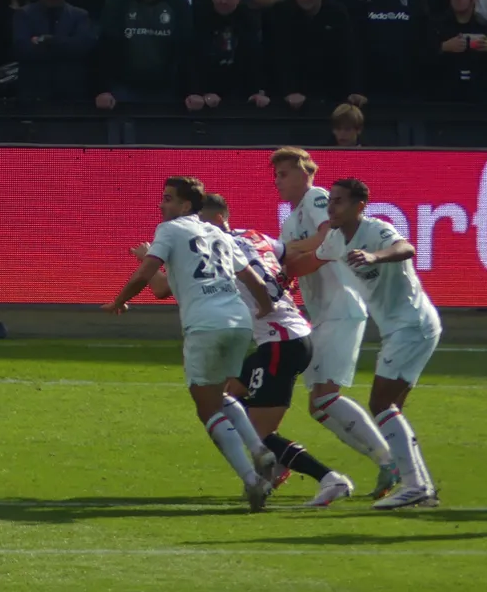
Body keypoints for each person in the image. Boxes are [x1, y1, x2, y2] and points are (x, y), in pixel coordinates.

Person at [145, 192, 354, 508]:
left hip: (279, 342)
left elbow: (161, 288)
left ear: (212, 220)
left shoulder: (208, 249)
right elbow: (292, 255)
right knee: (228, 395)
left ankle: (328, 478)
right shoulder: (252, 237)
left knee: (257, 433)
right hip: (288, 335)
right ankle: (278, 468)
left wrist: (145, 258)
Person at [105, 175, 280, 509]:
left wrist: (118, 301)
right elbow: (252, 278)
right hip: (239, 321)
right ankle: (259, 450)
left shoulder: (170, 231)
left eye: (168, 198)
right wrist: (267, 308)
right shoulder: (217, 233)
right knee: (219, 394)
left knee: (206, 406)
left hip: (206, 323)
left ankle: (252, 479)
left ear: (185, 206)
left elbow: (146, 273)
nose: (162, 204)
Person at [289, 178, 442, 508]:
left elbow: (407, 248)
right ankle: (420, 487)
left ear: (360, 206)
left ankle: (416, 485)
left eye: (339, 201)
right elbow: (308, 261)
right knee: (390, 409)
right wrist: (275, 270)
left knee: (381, 405)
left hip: (412, 325)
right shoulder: (334, 239)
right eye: (330, 201)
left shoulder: (376, 229)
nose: (331, 207)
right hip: (400, 328)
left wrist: (375, 257)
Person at [270, 147, 400, 499]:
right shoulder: (290, 219)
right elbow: (298, 258)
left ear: (303, 172)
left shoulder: (316, 198)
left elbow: (327, 238)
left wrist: (281, 252)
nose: (277, 181)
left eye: (283, 173)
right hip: (322, 313)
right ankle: (386, 463)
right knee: (318, 405)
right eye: (276, 175)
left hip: (342, 307)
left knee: (325, 398)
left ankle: (391, 460)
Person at [338, 0, 431, 102]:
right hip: (363, 87)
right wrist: (353, 86)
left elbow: (423, 38)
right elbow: (345, 42)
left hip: (405, 87)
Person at [95, 0, 193, 109]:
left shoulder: (178, 2)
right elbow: (105, 47)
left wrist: (191, 91)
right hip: (124, 87)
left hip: (168, 89)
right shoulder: (117, 0)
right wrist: (103, 89)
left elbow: (187, 49)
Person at [13, 0, 98, 104]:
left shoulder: (80, 16)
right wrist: (65, 45)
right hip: (33, 95)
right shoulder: (24, 15)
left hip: (71, 95)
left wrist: (46, 40)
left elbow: (82, 48)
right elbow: (22, 50)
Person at [189, 0, 267, 109]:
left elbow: (254, 58)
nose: (223, 1)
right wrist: (198, 92)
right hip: (205, 94)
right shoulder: (198, 16)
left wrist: (256, 91)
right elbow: (192, 57)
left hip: (239, 92)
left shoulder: (249, 20)